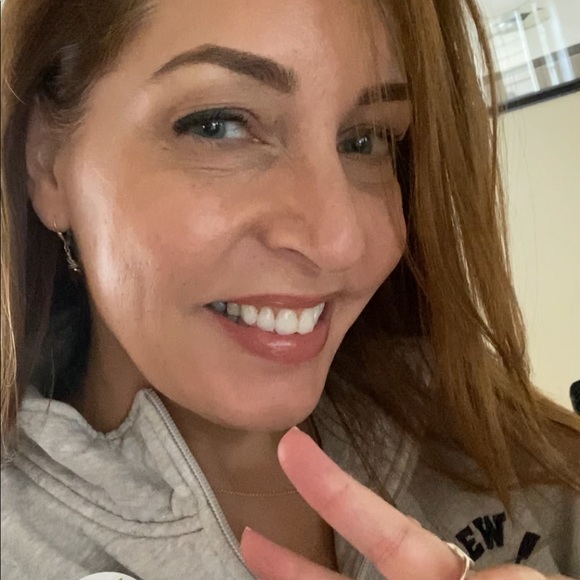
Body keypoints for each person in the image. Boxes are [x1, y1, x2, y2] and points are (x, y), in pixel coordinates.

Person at [1, 0, 578, 578]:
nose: (338, 241)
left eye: (365, 140)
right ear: (46, 163)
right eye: (219, 125)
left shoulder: (468, 416)